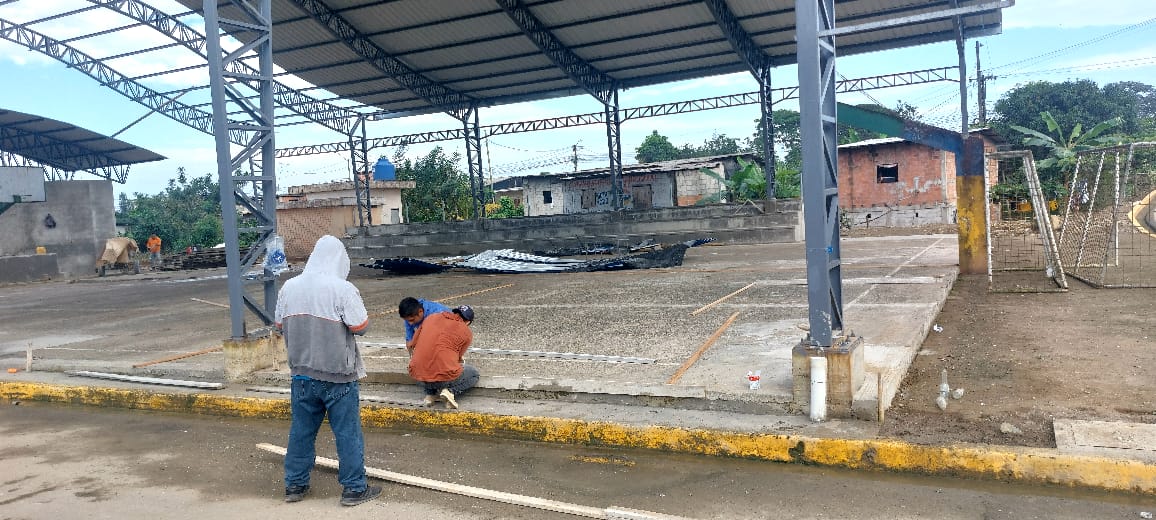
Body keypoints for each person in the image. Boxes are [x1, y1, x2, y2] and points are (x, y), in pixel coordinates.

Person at [273, 235, 382, 507]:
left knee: (301, 432)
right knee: (347, 433)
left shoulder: (289, 287)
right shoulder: (342, 289)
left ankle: (295, 485)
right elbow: (360, 326)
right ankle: (354, 489)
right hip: (337, 377)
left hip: (301, 374)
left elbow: (279, 325)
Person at [407, 305, 479, 409]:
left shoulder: (431, 318)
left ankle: (430, 394)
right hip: (442, 379)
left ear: (455, 313)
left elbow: (412, 343)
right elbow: (458, 358)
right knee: (474, 374)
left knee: (428, 363)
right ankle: (450, 392)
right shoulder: (466, 332)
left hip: (417, 376)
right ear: (467, 322)